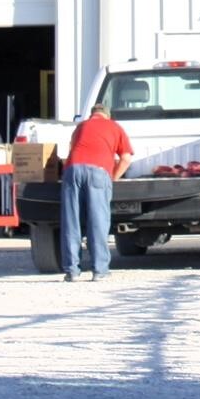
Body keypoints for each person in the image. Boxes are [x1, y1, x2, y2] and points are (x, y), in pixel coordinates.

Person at [60, 101, 134, 281]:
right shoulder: (114, 127)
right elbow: (126, 158)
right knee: (98, 221)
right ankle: (100, 271)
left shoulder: (81, 127)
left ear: (92, 115)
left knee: (71, 221)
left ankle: (72, 271)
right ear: (107, 115)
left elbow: (71, 150)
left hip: (73, 171)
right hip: (98, 172)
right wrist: (113, 177)